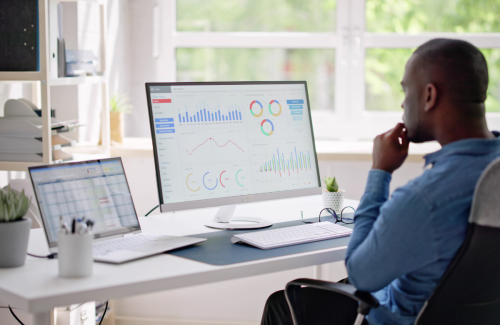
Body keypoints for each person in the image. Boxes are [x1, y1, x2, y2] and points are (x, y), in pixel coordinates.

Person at [260, 38, 500, 325]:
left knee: (282, 305)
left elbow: (361, 275)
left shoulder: (424, 199)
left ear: (429, 96)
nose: (402, 102)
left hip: (399, 318)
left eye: (406, 90)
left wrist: (379, 172)